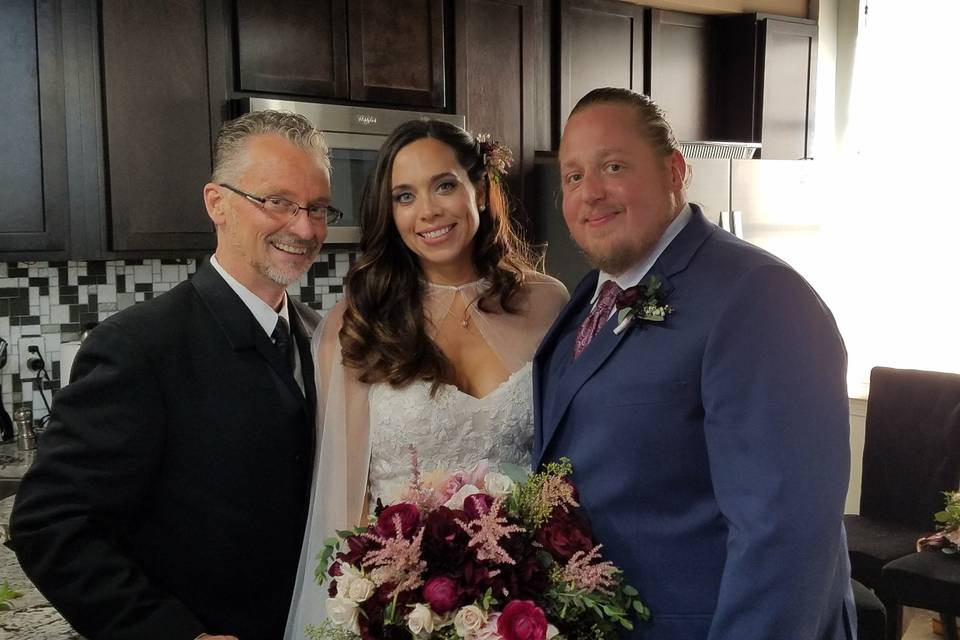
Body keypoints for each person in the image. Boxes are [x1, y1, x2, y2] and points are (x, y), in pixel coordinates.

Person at [533, 87, 855, 640]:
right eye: (573, 176)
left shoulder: (760, 297)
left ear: (674, 170)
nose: (591, 193)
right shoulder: (587, 298)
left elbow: (784, 537)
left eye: (613, 166)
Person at [8, 110, 335, 640]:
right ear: (217, 203)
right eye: (277, 201)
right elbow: (49, 523)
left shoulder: (323, 338)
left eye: (317, 207)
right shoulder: (137, 347)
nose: (303, 227)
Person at [284, 120, 568, 638]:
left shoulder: (549, 303)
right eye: (404, 196)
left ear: (479, 188)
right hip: (400, 611)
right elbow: (341, 508)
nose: (429, 211)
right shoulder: (356, 325)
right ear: (389, 214)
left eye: (444, 185)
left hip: (532, 603)